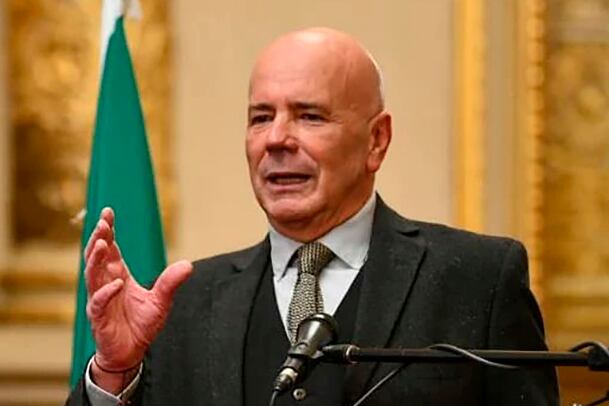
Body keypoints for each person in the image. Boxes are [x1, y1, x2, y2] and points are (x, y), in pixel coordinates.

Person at [67, 27, 558, 405]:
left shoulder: (477, 281)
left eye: (309, 116)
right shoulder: (184, 304)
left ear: (376, 140)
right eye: (261, 117)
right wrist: (114, 372)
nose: (276, 139)